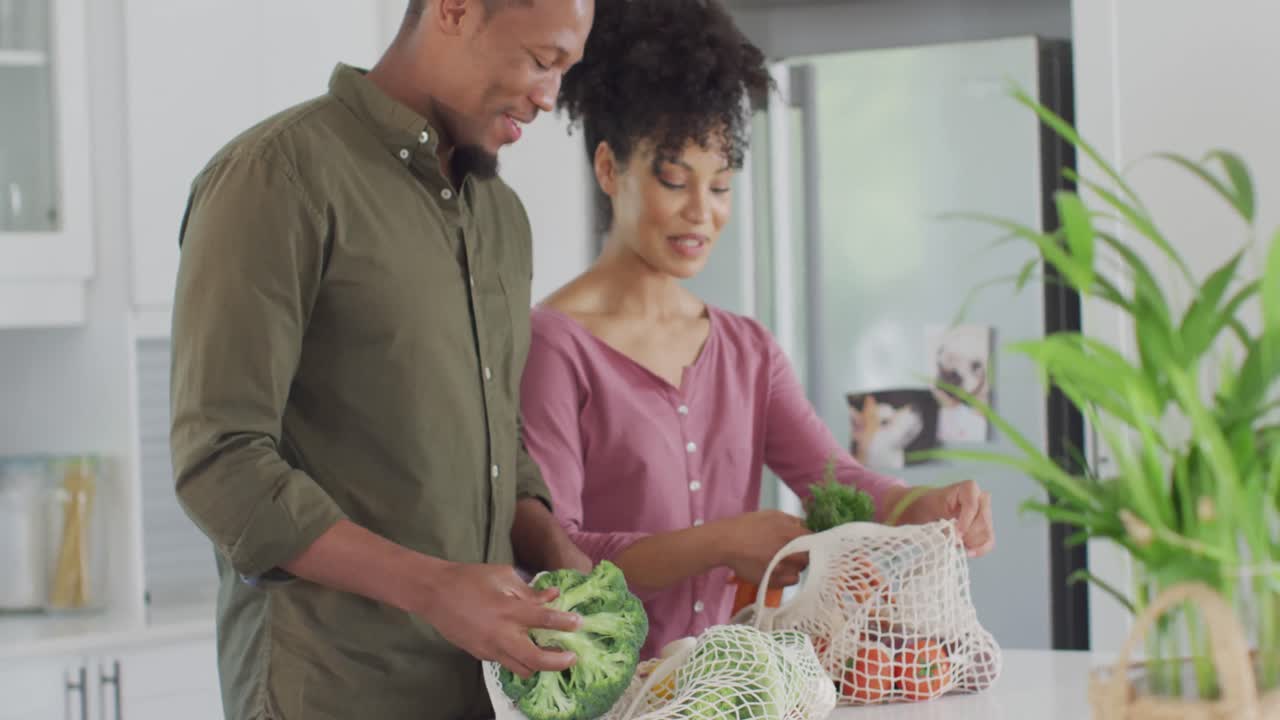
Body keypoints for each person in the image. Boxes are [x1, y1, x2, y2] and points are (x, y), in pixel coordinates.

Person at [517, 0, 996, 661]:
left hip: (722, 689)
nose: (701, 213)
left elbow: (838, 479)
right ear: (608, 169)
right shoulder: (554, 345)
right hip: (603, 696)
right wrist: (720, 542)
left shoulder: (747, 350)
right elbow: (557, 557)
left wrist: (922, 503)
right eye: (675, 179)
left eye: (720, 187)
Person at [169, 1, 595, 718]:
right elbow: (221, 463)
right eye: (541, 61)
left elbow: (496, 434)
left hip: (475, 694)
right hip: (328, 693)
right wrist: (434, 589)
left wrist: (554, 549)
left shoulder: (501, 217)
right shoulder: (275, 178)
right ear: (454, 10)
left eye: (564, 73)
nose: (550, 97)